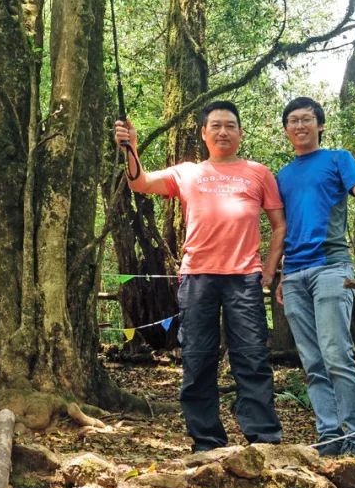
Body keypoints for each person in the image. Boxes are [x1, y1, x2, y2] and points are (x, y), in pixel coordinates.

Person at [113, 102, 286, 452]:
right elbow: (141, 183)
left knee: (251, 356)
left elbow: (279, 224)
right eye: (216, 125)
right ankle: (206, 442)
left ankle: (263, 438)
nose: (223, 131)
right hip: (197, 278)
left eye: (231, 126)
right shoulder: (187, 172)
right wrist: (130, 146)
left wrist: (269, 269)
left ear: (240, 132)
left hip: (244, 277)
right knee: (198, 357)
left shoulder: (258, 173)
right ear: (204, 133)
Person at [276, 95, 355, 457]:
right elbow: (282, 227)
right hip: (293, 275)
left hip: (331, 267)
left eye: (307, 119)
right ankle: (329, 438)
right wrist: (277, 274)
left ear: (320, 125)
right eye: (293, 120)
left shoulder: (338, 159)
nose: (300, 125)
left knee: (337, 352)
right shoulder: (283, 176)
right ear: (286, 129)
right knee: (311, 360)